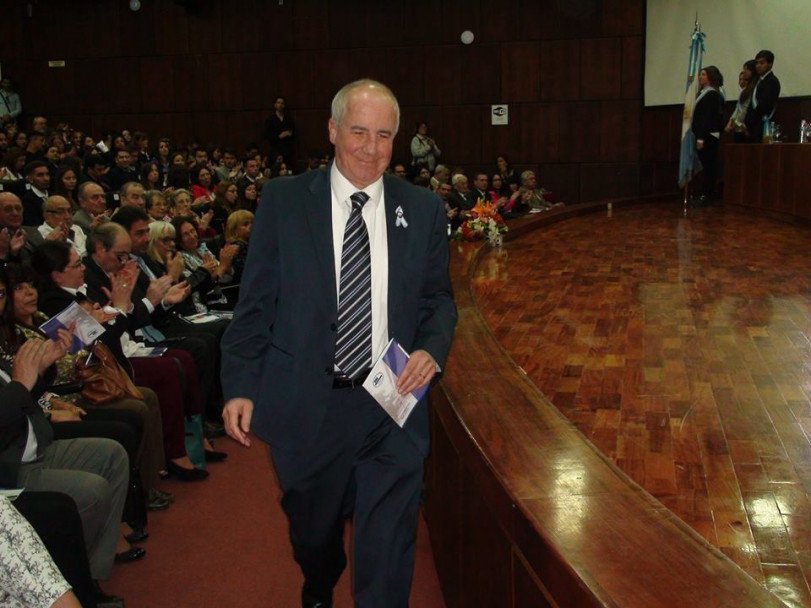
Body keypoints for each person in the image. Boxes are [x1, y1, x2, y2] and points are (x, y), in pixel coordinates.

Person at [221, 79, 457, 608]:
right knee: (313, 531)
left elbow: (438, 301)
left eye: (384, 135)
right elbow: (255, 304)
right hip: (307, 402)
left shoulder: (421, 211)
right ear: (332, 131)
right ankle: (319, 576)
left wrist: (430, 349)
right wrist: (240, 384)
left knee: (389, 538)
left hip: (390, 397)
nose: (371, 149)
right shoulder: (283, 201)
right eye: (358, 132)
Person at [691, 66, 724, 203]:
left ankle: (709, 195)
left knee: (710, 166)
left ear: (711, 77)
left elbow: (707, 117)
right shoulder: (703, 93)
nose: (700, 77)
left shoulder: (712, 94)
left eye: (703, 74)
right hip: (704, 134)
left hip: (708, 135)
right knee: (707, 165)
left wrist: (701, 138)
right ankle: (706, 193)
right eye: (700, 74)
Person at [744, 50, 781, 143]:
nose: (758, 66)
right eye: (757, 63)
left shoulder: (772, 81)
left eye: (762, 63)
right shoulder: (757, 81)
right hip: (753, 126)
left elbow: (764, 106)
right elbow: (751, 104)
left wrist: (749, 122)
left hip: (764, 124)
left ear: (770, 64)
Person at [725, 60, 757, 143]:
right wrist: (731, 121)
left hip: (743, 127)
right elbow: (738, 108)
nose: (744, 71)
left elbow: (744, 109)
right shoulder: (745, 90)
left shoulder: (752, 89)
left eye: (746, 69)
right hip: (737, 127)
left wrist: (737, 122)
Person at [264, 96, 295, 166]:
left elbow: (293, 132)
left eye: (282, 103)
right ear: (275, 105)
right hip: (275, 150)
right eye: (278, 103)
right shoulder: (270, 119)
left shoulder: (288, 119)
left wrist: (289, 133)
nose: (280, 105)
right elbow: (266, 134)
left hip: (287, 150)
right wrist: (279, 136)